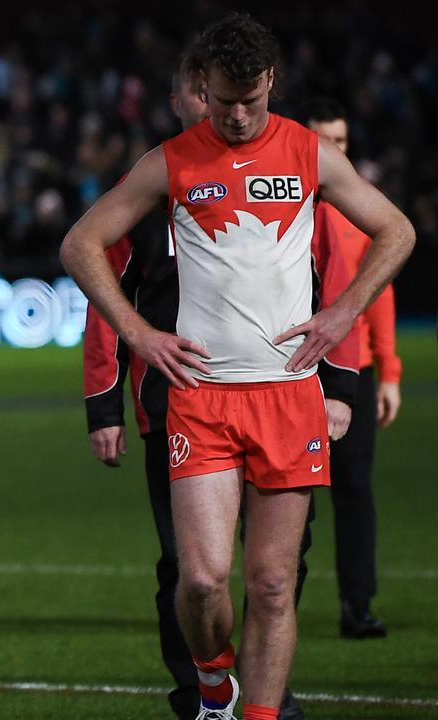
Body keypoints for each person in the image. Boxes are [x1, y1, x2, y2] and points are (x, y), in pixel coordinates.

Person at [60, 14, 413, 720]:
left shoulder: (309, 153)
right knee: (200, 580)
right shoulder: (172, 159)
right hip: (203, 397)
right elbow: (81, 244)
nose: (240, 115)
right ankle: (214, 682)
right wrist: (137, 330)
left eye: (251, 99)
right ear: (202, 87)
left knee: (275, 584)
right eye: (224, 101)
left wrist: (344, 312)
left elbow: (395, 230)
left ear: (271, 83)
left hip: (288, 395)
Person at [304, 98, 402, 639]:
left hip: (354, 371)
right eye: (323, 140)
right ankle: (274, 605)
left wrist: (389, 370)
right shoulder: (290, 208)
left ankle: (357, 605)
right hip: (293, 371)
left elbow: (379, 295)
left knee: (354, 490)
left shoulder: (359, 209)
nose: (332, 151)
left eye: (339, 142)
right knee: (283, 496)